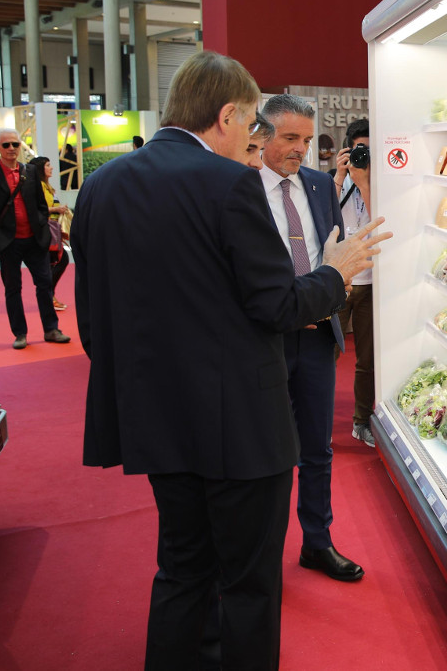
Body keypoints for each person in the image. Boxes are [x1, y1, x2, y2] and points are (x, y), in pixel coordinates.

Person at [73, 51, 389, 671]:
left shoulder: (103, 186)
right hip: (239, 425)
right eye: (251, 125)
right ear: (226, 115)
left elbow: (92, 317)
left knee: (182, 568)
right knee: (247, 582)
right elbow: (276, 304)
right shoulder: (229, 184)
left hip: (154, 417)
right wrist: (338, 271)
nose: (256, 140)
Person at [258, 93, 363, 582]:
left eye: (306, 138)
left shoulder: (322, 186)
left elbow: (337, 253)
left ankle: (317, 543)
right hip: (266, 340)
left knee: (318, 448)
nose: (301, 148)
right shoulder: (241, 189)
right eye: (289, 138)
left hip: (320, 337)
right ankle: (261, 553)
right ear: (261, 135)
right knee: (267, 450)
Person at [0, 128, 70, 350]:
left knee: (45, 284)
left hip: (35, 240)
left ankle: (51, 329)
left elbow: (41, 204)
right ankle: (20, 333)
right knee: (13, 288)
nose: (11, 149)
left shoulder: (31, 172)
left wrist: (42, 226)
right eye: (6, 145)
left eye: (15, 144)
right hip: (8, 243)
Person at [333, 118, 375, 448]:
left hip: (373, 281)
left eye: (369, 150)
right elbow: (323, 221)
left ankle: (362, 421)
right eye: (359, 149)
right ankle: (312, 418)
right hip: (340, 282)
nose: (364, 156)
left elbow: (383, 221)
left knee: (368, 360)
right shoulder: (336, 183)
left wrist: (365, 184)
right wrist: (340, 176)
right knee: (325, 356)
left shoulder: (378, 185)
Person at [27, 156, 71, 311]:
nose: (51, 168)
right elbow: (39, 208)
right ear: (40, 169)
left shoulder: (45, 186)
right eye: (48, 165)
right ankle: (48, 297)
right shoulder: (39, 186)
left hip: (50, 230)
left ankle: (49, 296)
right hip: (44, 231)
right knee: (57, 262)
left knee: (57, 261)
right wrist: (56, 209)